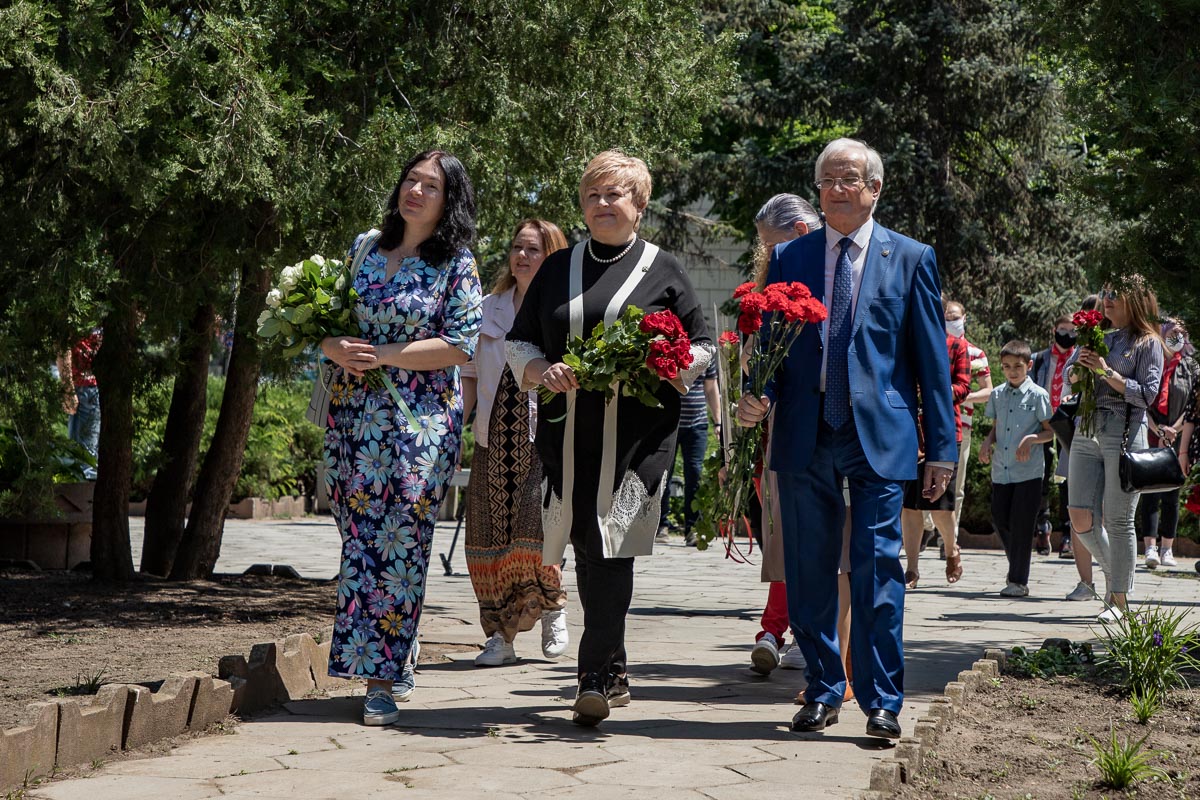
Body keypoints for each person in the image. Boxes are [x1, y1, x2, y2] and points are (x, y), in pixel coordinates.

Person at [737, 138, 956, 740]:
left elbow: (932, 361)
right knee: (808, 569)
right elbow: (773, 347)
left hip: (878, 435)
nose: (836, 189)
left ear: (874, 189)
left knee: (878, 567)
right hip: (804, 431)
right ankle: (823, 688)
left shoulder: (910, 257)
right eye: (827, 180)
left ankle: (883, 700)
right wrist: (758, 394)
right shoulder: (791, 257)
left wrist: (942, 447)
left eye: (849, 179)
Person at [507, 150, 713, 726]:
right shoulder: (557, 269)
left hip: (638, 441)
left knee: (613, 546)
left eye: (614, 194)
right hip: (568, 439)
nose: (602, 204)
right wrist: (540, 370)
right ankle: (614, 667)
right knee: (585, 545)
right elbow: (519, 342)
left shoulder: (663, 268)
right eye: (592, 195)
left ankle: (591, 674)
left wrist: (664, 362)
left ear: (638, 204)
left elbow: (702, 347)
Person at [319, 150, 483, 726]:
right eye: (411, 179)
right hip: (352, 418)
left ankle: (381, 680)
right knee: (357, 539)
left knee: (399, 543)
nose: (415, 190)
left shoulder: (457, 264)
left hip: (420, 426)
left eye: (430, 185)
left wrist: (383, 355)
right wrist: (334, 346)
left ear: (449, 200)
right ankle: (398, 646)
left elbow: (461, 345)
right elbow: (327, 322)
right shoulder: (364, 247)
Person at [461, 220, 570, 667]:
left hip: (543, 441)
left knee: (534, 534)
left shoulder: (564, 310)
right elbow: (469, 373)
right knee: (486, 543)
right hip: (492, 439)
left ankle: (552, 607)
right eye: (517, 247)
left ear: (552, 256)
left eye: (533, 249)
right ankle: (499, 638)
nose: (522, 256)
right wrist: (458, 424)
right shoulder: (487, 309)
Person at [746, 194, 824, 677]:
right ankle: (778, 628)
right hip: (776, 429)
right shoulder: (770, 286)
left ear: (798, 233)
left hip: (824, 427)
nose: (768, 256)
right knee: (782, 533)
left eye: (771, 245)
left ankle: (794, 631)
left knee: (817, 537)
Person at [1065, 275, 1163, 623]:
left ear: (1135, 299)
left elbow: (1147, 394)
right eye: (1105, 292)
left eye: (1115, 294)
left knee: (1119, 520)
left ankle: (1119, 601)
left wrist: (1105, 371)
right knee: (1079, 516)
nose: (1107, 298)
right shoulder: (1096, 334)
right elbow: (1069, 378)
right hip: (1086, 428)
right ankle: (1114, 576)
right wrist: (1078, 371)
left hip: (1123, 431)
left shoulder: (1148, 342)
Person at [901, 308, 970, 589]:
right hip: (909, 431)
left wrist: (935, 391)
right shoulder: (906, 342)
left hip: (944, 432)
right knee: (910, 506)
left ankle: (951, 549)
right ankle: (912, 568)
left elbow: (963, 387)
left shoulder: (956, 345)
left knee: (940, 506)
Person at [978, 341, 1054, 597]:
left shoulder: (1038, 395)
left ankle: (1018, 581)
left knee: (1021, 526)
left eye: (1017, 366)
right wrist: (987, 442)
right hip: (1002, 469)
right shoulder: (997, 394)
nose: (1012, 371)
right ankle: (1018, 563)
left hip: (1028, 472)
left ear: (1029, 366)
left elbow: (1050, 431)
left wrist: (1032, 439)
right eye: (1007, 366)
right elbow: (997, 426)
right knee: (999, 518)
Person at [1137, 319, 1196, 569]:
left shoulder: (1191, 366)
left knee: (1172, 494)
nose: (1177, 336)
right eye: (1173, 332)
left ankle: (1167, 548)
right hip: (1151, 433)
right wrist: (1157, 429)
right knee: (1150, 493)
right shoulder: (1153, 361)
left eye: (1182, 333)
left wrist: (1174, 430)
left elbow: (1194, 404)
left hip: (1178, 436)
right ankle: (1150, 547)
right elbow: (1142, 399)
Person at [943, 301, 993, 549]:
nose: (951, 321)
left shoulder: (976, 353)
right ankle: (928, 528)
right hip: (931, 422)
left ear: (964, 317)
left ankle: (949, 538)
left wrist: (961, 395)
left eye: (955, 317)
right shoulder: (935, 346)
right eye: (947, 317)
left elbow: (988, 391)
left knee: (957, 484)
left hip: (962, 422)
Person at [656, 357, 720, 547]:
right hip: (668, 424)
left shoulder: (707, 354)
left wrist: (718, 422)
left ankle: (692, 528)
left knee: (695, 474)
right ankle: (661, 526)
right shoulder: (669, 351)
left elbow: (711, 387)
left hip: (697, 425)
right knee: (664, 473)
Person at [1032, 315, 1078, 559]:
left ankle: (1068, 533)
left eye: (1072, 331)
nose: (1067, 335)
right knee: (1041, 474)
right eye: (1063, 329)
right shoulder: (1039, 359)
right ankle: (1042, 526)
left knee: (1067, 477)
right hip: (1043, 422)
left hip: (1067, 422)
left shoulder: (1078, 359)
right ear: (1054, 329)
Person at [57, 329, 103, 480]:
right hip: (85, 387)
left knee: (86, 455)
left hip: (93, 387)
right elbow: (63, 347)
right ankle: (85, 487)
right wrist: (68, 389)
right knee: (84, 456)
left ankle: (87, 486)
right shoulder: (77, 323)